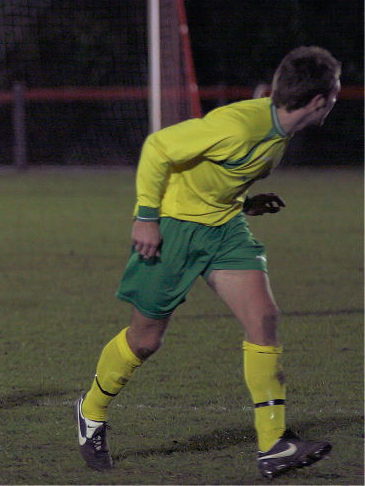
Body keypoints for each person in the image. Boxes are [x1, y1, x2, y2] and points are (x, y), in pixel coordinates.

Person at [73, 46, 341, 479]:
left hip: (224, 229)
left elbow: (220, 173)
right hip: (173, 228)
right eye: (336, 92)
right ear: (318, 101)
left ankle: (273, 444)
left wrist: (246, 201)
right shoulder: (238, 126)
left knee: (264, 318)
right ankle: (91, 411)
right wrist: (146, 218)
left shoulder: (277, 133)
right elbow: (159, 147)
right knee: (144, 341)